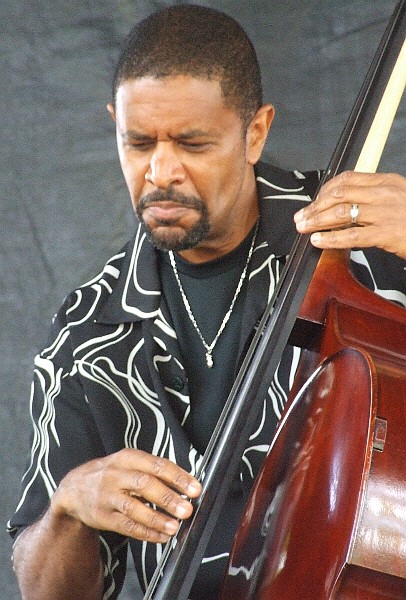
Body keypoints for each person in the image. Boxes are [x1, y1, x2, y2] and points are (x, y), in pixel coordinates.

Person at [8, 5, 406, 600]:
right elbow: (46, 591)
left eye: (193, 143)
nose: (161, 171)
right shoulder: (88, 332)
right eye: (138, 143)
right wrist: (69, 509)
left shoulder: (364, 245)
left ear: (256, 132)